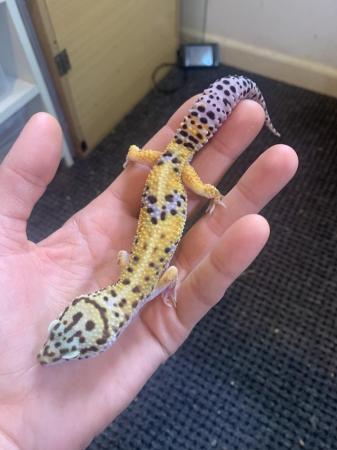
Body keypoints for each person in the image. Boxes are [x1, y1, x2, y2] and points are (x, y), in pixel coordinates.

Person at [0, 97, 297, 450]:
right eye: (67, 345)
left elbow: (171, 275)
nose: (49, 353)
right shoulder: (126, 278)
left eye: (65, 342)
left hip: (172, 170)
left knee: (203, 174)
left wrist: (203, 193)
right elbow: (129, 257)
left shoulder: (148, 289)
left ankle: (239, 103)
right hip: (163, 170)